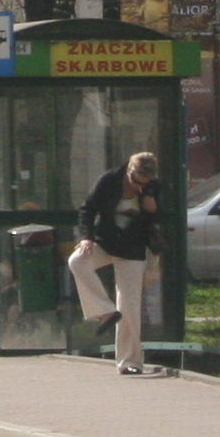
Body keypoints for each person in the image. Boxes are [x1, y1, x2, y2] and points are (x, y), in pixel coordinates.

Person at [73, 149, 167, 373]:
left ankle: (130, 362)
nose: (139, 187)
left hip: (132, 249)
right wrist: (86, 237)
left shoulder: (152, 186)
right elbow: (87, 208)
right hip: (104, 242)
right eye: (136, 181)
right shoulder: (109, 180)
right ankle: (105, 311)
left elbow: (159, 218)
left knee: (130, 308)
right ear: (129, 170)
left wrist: (153, 209)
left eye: (144, 183)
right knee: (77, 261)